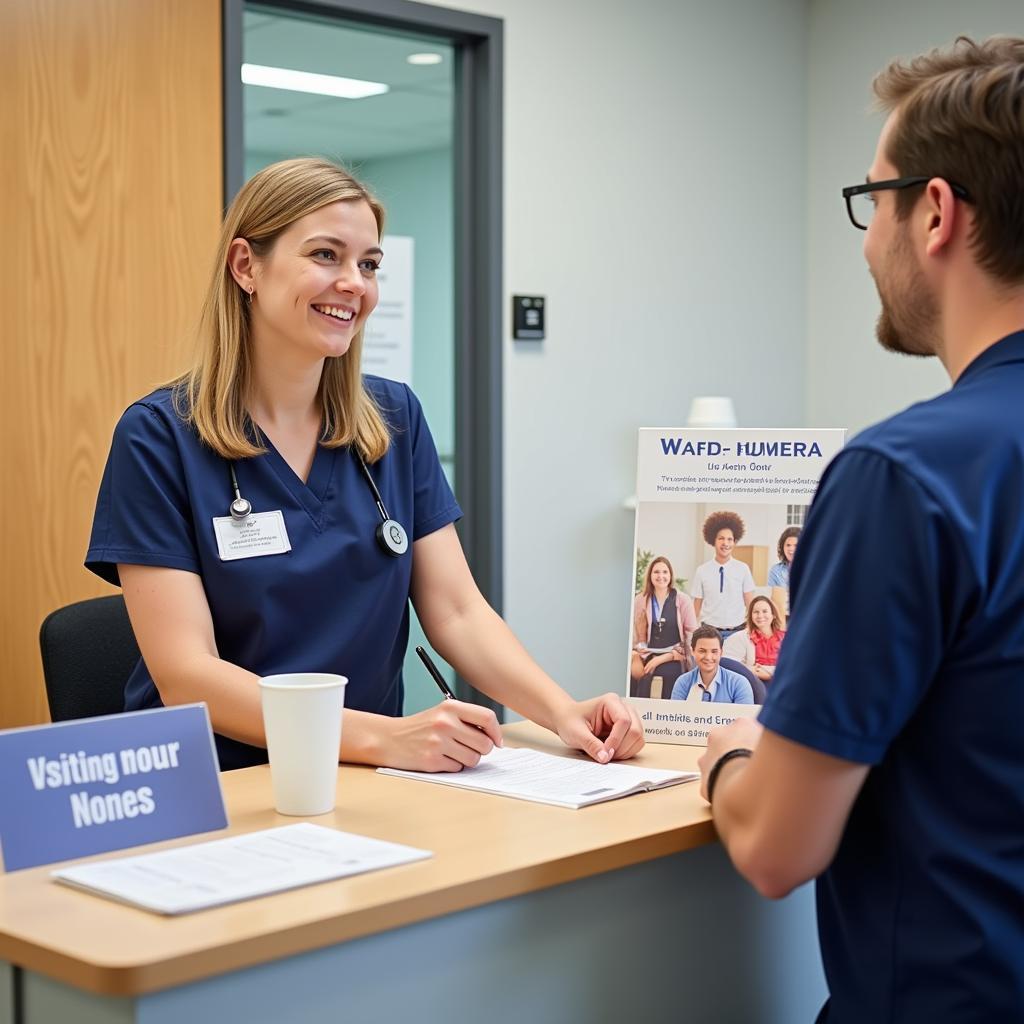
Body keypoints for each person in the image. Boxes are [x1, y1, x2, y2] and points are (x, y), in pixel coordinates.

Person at [85, 157, 643, 774]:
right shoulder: (159, 436)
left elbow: (457, 611)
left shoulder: (392, 421)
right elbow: (187, 676)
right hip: (219, 782)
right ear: (246, 266)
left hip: (365, 779)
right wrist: (385, 739)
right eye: (326, 255)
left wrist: (562, 711)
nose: (355, 283)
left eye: (369, 264)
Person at [697, 37, 1024, 1023]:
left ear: (933, 212)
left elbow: (774, 846)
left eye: (870, 198)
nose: (865, 236)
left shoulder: (905, 477)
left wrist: (726, 752)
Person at [630, 556, 696, 698]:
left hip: (674, 655)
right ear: (650, 575)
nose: (661, 576)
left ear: (670, 575)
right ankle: (640, 715)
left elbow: (691, 636)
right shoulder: (640, 600)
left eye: (665, 572)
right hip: (647, 654)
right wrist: (637, 654)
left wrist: (663, 658)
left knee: (670, 675)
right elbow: (636, 635)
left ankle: (668, 717)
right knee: (639, 677)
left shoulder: (683, 600)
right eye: (656, 572)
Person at [690, 511, 754, 638]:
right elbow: (695, 607)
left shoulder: (743, 568)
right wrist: (690, 634)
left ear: (734, 542)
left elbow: (750, 603)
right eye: (721, 538)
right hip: (708, 633)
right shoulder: (702, 571)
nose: (725, 543)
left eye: (730, 539)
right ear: (713, 541)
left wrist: (751, 629)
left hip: (738, 632)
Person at [671, 626, 753, 704]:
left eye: (714, 651)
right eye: (702, 651)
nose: (708, 657)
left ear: (721, 652)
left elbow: (744, 717)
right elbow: (675, 716)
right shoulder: (682, 682)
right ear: (692, 651)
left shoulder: (739, 684)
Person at [722, 595, 785, 682]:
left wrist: (767, 673)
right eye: (756, 612)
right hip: (754, 682)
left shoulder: (785, 638)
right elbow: (726, 663)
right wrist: (750, 670)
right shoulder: (742, 637)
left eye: (765, 611)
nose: (760, 615)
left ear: (773, 615)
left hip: (781, 681)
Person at [767, 526, 800, 620]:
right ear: (783, 547)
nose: (791, 549)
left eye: (796, 545)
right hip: (781, 618)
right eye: (788, 545)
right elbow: (774, 600)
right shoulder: (776, 570)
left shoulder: (811, 569)